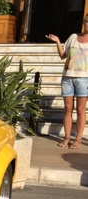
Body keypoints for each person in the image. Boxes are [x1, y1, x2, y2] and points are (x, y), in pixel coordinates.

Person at [46, 15, 88, 149]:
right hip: (68, 77)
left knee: (80, 110)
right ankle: (66, 138)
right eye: (87, 22)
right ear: (84, 23)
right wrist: (58, 42)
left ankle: (78, 139)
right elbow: (63, 56)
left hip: (84, 79)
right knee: (67, 109)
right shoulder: (73, 37)